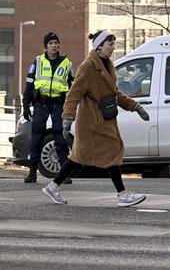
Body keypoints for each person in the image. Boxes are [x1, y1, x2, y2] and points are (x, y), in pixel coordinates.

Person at [41, 31, 150, 207]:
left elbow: (114, 93)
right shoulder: (88, 67)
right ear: (99, 47)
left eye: (113, 44)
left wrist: (135, 106)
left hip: (104, 118)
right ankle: (122, 194)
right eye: (110, 45)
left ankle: (53, 186)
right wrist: (68, 118)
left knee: (79, 157)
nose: (113, 49)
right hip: (91, 121)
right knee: (112, 151)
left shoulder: (107, 64)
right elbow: (73, 94)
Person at [22, 32, 74, 184]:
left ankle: (64, 174)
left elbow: (73, 86)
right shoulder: (37, 62)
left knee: (60, 136)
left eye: (56, 43)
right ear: (46, 46)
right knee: (37, 137)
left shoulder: (67, 63)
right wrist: (26, 105)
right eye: (51, 43)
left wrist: (72, 106)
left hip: (58, 104)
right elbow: (29, 85)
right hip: (41, 104)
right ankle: (32, 173)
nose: (54, 45)